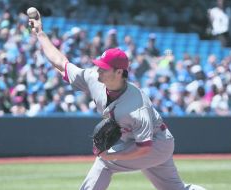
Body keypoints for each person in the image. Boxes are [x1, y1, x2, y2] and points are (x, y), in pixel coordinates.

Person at [28, 9, 206, 190]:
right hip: (137, 140)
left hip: (155, 144)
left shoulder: (136, 105)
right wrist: (40, 34)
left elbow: (144, 148)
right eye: (99, 66)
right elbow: (61, 62)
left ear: (119, 72)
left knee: (104, 163)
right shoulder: (93, 78)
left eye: (104, 68)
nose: (98, 70)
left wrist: (111, 156)